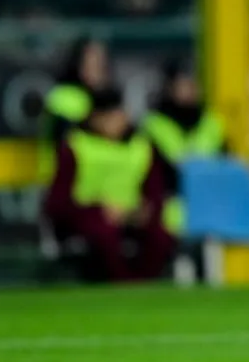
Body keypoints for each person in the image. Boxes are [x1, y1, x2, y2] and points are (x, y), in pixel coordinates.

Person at [44, 87, 176, 283]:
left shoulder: (141, 147)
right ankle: (122, 284)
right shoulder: (75, 147)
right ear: (95, 118)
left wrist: (144, 211)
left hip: (131, 217)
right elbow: (56, 203)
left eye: (119, 115)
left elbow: (155, 191)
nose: (117, 122)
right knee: (104, 234)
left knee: (160, 236)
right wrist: (99, 210)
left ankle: (145, 284)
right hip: (88, 217)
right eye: (110, 117)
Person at [142, 60, 227, 236]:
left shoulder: (212, 124)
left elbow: (226, 166)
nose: (190, 90)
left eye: (193, 85)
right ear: (169, 88)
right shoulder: (154, 126)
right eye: (183, 85)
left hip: (211, 202)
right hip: (172, 204)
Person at [39, 37, 110, 181]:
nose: (96, 69)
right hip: (64, 179)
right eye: (91, 62)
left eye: (100, 63)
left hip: (92, 180)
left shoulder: (105, 99)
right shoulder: (64, 96)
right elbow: (63, 140)